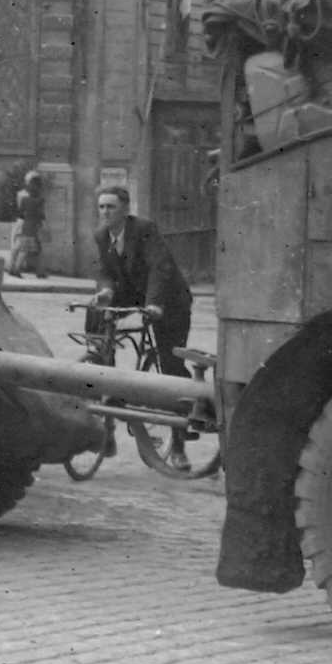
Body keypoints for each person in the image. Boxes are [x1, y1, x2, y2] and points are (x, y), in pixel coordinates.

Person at [88, 184, 195, 467]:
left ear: (125, 209)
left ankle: (180, 443)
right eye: (101, 207)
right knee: (97, 312)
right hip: (135, 293)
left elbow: (160, 267)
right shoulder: (101, 235)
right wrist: (106, 291)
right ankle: (104, 381)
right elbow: (104, 272)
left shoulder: (143, 228)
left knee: (170, 363)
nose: (105, 212)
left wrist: (156, 304)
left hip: (169, 301)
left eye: (110, 207)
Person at [6, 171, 47, 279]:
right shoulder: (38, 199)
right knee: (26, 248)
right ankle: (17, 269)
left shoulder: (22, 196)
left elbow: (20, 211)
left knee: (21, 247)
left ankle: (14, 267)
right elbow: (41, 214)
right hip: (30, 225)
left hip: (23, 223)